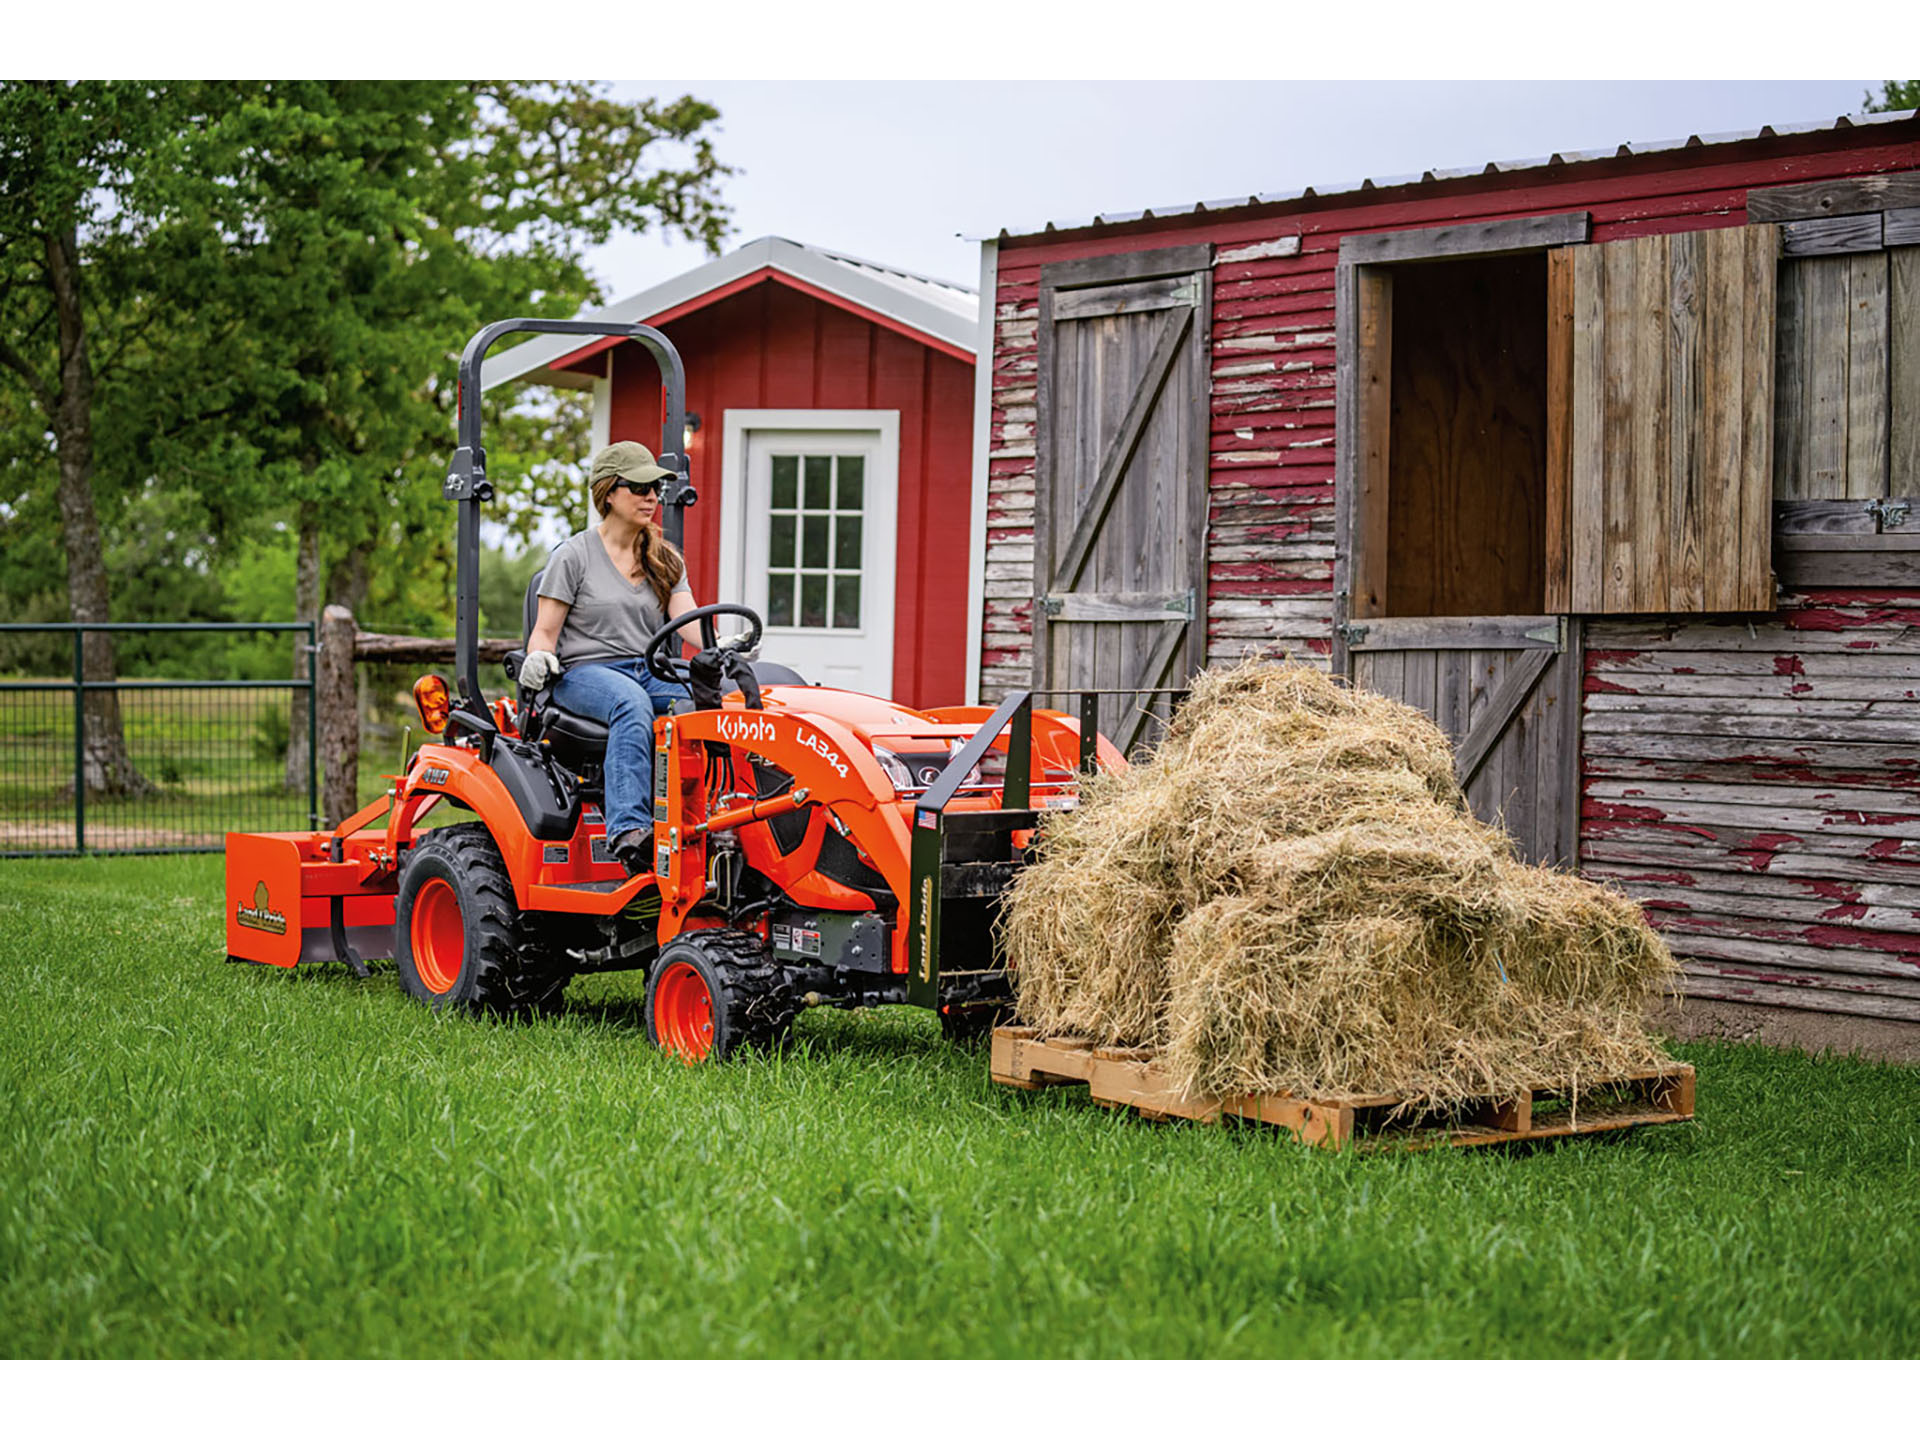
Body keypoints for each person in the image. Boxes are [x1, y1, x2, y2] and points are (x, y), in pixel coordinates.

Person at [519, 440, 696, 874]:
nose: (651, 496)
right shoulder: (573, 556)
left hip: (647, 669)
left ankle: (703, 821)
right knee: (628, 703)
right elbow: (544, 633)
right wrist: (538, 658)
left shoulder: (663, 558)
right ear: (608, 493)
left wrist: (722, 645)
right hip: (584, 674)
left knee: (703, 703)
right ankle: (630, 831)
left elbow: (688, 620)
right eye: (638, 487)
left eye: (654, 487)